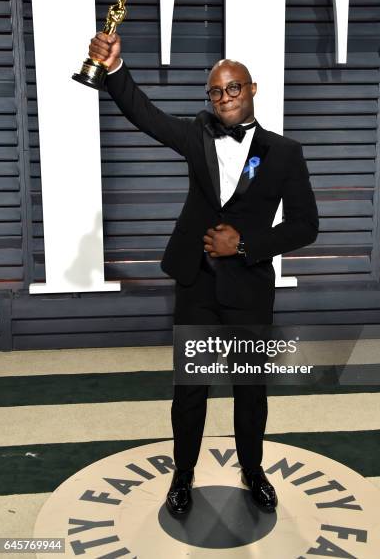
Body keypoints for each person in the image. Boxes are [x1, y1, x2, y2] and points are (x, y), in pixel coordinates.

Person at [88, 32, 319, 517]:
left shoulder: (284, 153)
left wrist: (247, 244)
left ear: (252, 89)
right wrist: (114, 68)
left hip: (249, 289)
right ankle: (183, 475)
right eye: (215, 91)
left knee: (250, 392)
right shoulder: (197, 135)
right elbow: (145, 115)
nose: (224, 98)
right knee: (189, 391)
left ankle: (252, 471)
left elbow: (306, 226)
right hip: (196, 284)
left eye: (233, 88)